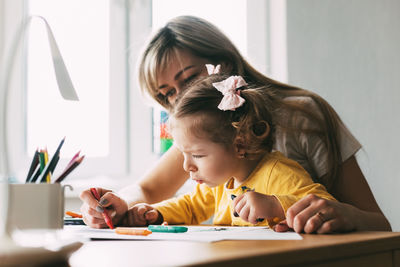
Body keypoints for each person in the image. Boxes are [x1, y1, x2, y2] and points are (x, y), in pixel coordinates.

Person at [80, 16, 391, 233]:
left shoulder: (301, 117)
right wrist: (113, 205)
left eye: (189, 79)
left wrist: (343, 214)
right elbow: (148, 190)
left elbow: (379, 224)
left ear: (224, 64)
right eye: (167, 96)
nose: (182, 99)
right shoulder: (203, 140)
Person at [121, 73, 336, 227]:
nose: (187, 165)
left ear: (239, 145)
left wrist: (276, 205)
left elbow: (327, 207)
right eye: (184, 154)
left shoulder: (278, 173)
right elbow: (190, 206)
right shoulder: (221, 182)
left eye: (197, 155)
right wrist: (156, 213)